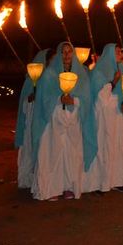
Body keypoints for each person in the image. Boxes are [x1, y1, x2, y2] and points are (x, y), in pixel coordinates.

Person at [31, 42, 95, 201]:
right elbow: (44, 99)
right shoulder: (49, 75)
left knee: (71, 153)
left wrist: (75, 101)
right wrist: (59, 99)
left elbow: (87, 98)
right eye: (64, 52)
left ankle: (69, 187)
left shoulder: (81, 74)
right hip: (54, 119)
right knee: (53, 153)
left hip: (73, 119)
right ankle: (51, 188)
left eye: (69, 52)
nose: (67, 55)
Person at [83, 43, 123, 193]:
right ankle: (99, 182)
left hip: (119, 117)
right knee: (104, 147)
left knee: (119, 147)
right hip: (104, 118)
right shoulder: (98, 72)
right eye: (117, 51)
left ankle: (118, 180)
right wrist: (114, 81)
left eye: (120, 51)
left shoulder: (120, 70)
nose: (120, 54)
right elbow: (99, 99)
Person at [15, 49, 54, 189]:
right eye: (51, 59)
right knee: (31, 148)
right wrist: (31, 98)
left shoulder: (53, 77)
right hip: (32, 120)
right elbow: (25, 102)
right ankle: (29, 179)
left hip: (45, 121)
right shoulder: (32, 79)